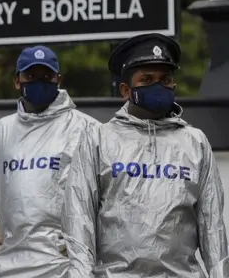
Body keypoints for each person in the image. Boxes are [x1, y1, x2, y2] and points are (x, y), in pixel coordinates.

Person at [63, 33, 229, 277]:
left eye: (165, 79)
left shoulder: (195, 143)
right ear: (125, 90)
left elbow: (212, 225)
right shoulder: (98, 139)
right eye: (147, 79)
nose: (158, 86)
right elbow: (79, 218)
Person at [0, 45, 100, 278]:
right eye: (31, 76)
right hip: (10, 262)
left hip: (66, 264)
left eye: (47, 76)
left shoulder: (87, 129)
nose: (39, 81)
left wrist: (89, 243)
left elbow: (109, 192)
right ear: (17, 81)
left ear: (58, 79)